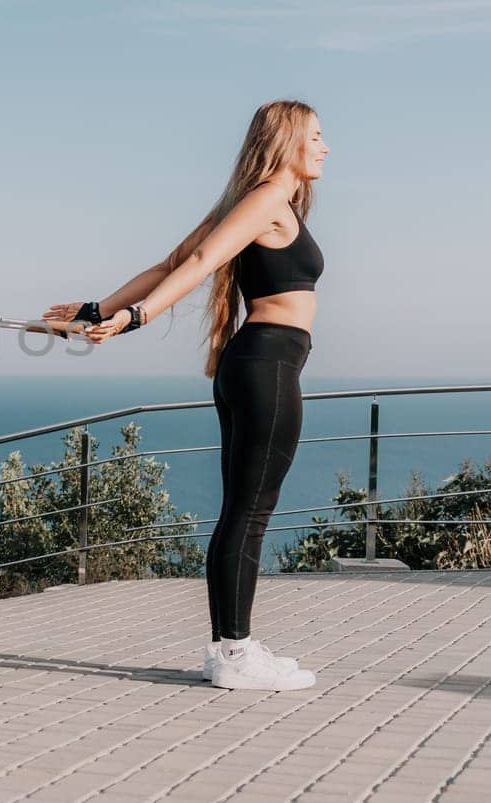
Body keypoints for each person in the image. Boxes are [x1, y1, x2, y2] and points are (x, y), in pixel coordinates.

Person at [45, 100, 328, 692]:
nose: (326, 148)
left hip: (257, 363)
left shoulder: (258, 200)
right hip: (266, 364)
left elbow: (171, 261)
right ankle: (232, 653)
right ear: (290, 141)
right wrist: (135, 317)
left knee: (245, 511)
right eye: (318, 137)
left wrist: (104, 308)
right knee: (249, 514)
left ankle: (237, 644)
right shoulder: (268, 198)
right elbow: (195, 263)